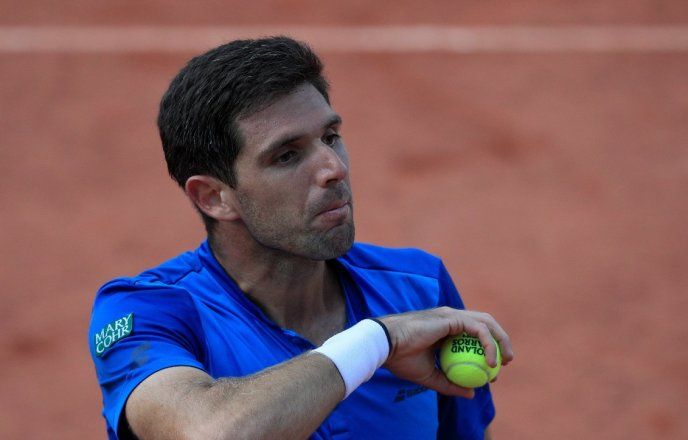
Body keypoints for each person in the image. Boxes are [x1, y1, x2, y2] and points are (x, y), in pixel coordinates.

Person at [88, 36, 514, 440]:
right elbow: (208, 432)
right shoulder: (147, 312)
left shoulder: (417, 287)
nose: (333, 168)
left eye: (331, 137)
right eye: (287, 155)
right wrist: (378, 341)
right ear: (215, 197)